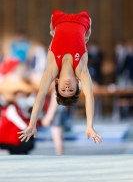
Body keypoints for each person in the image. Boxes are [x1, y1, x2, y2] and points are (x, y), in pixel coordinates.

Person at [18, 10, 102, 144]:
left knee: (53, 26)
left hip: (59, 20)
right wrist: (89, 126)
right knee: (87, 27)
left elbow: (40, 95)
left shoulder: (52, 69)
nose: (67, 87)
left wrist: (32, 123)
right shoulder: (81, 70)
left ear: (56, 82)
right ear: (76, 82)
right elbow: (89, 96)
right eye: (71, 90)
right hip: (82, 21)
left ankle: (54, 30)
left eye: (63, 90)